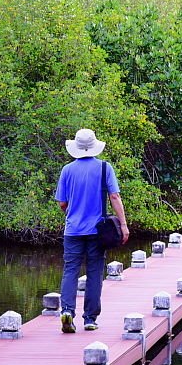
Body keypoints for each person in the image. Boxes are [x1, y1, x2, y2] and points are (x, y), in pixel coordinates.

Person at [55, 128, 129, 333]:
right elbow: (114, 197)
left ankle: (67, 311)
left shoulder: (67, 170)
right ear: (94, 145)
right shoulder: (105, 168)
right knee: (95, 273)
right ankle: (90, 318)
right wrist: (123, 225)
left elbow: (62, 203)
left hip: (72, 231)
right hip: (97, 231)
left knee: (70, 270)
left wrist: (73, 211)